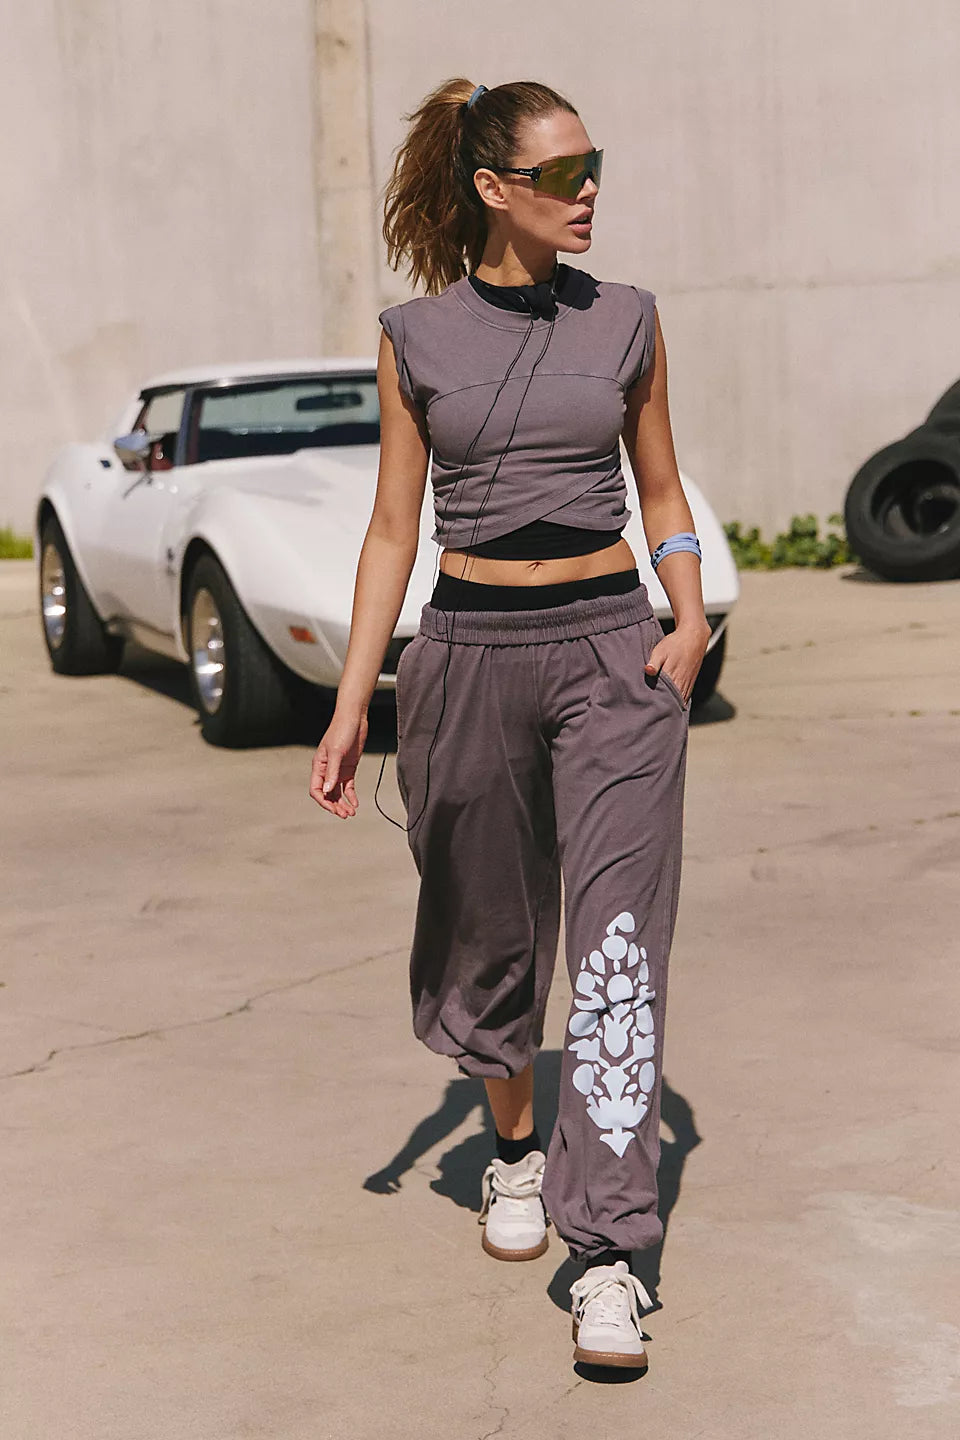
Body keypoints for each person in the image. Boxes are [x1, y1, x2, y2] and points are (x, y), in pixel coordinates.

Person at [310, 77, 710, 1372]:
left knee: (613, 955)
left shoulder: (631, 320)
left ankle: (607, 1256)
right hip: (468, 658)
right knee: (486, 941)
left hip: (613, 656)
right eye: (565, 167)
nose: (590, 186)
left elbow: (660, 488)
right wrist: (349, 700)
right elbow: (389, 531)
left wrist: (688, 613)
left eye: (598, 162)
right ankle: (519, 1151)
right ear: (495, 189)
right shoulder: (416, 337)